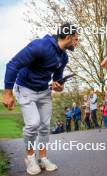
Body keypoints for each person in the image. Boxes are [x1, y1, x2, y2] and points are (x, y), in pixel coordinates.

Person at [2, 23, 78, 175]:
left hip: (43, 90)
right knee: (33, 124)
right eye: (76, 39)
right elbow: (12, 65)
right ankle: (30, 157)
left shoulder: (64, 57)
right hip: (25, 88)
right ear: (68, 37)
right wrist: (8, 93)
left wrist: (59, 86)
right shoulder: (40, 46)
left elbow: (56, 79)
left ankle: (42, 158)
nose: (77, 42)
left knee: (44, 126)